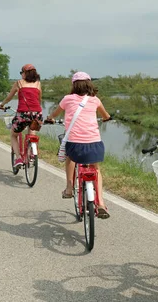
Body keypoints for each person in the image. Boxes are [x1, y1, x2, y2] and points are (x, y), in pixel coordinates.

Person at [46, 71, 112, 219]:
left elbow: (54, 114)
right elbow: (106, 116)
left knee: (70, 158)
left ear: (74, 85)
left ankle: (69, 188)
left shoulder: (67, 99)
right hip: (94, 143)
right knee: (96, 169)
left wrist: (49, 118)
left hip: (74, 144)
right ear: (89, 84)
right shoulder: (95, 100)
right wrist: (107, 118)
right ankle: (100, 202)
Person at [0, 64, 43, 168]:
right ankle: (30, 153)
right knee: (32, 134)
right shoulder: (38, 84)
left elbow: (9, 97)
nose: (21, 74)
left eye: (21, 72)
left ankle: (18, 158)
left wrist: (2, 105)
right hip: (37, 114)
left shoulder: (18, 83)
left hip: (23, 114)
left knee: (14, 135)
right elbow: (39, 100)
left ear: (25, 73)